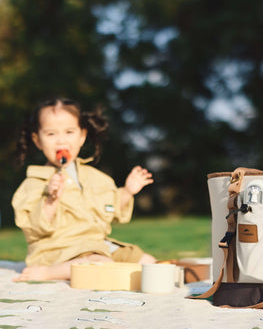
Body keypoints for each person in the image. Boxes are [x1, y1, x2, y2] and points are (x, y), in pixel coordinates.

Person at [12, 97, 156, 282]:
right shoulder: (34, 183)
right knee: (101, 265)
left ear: (82, 136)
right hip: (57, 250)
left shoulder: (96, 178)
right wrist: (50, 200)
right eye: (51, 134)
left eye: (69, 132)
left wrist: (128, 191)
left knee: (148, 262)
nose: (61, 140)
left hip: (98, 245)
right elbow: (33, 228)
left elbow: (111, 210)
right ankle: (46, 273)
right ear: (37, 140)